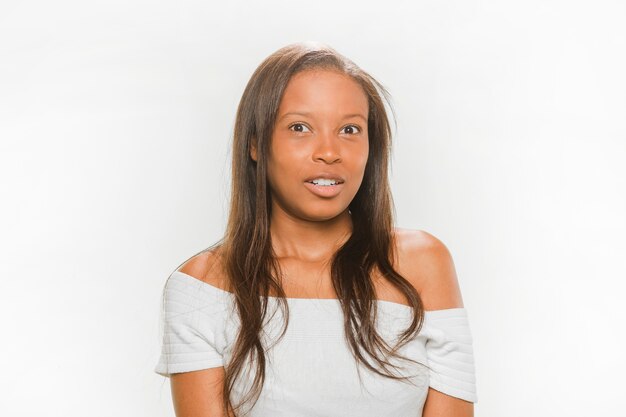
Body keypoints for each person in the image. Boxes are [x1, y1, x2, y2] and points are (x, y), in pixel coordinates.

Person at [154, 41, 477, 417]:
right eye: (300, 127)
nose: (328, 151)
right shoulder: (203, 286)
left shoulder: (422, 264)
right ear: (256, 144)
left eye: (350, 129)